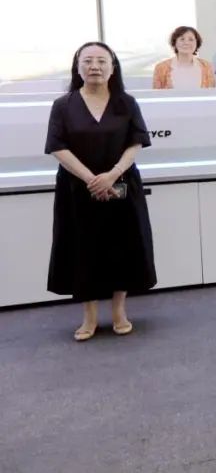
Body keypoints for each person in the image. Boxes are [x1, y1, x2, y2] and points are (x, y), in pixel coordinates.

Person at [46, 42, 156, 341]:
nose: (94, 66)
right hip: (77, 187)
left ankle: (119, 312)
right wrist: (91, 179)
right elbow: (57, 146)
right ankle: (90, 316)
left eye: (101, 61)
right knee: (83, 248)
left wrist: (112, 174)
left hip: (121, 183)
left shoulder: (126, 102)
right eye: (88, 61)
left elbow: (136, 142)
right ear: (77, 66)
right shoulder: (63, 105)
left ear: (112, 67)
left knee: (123, 245)